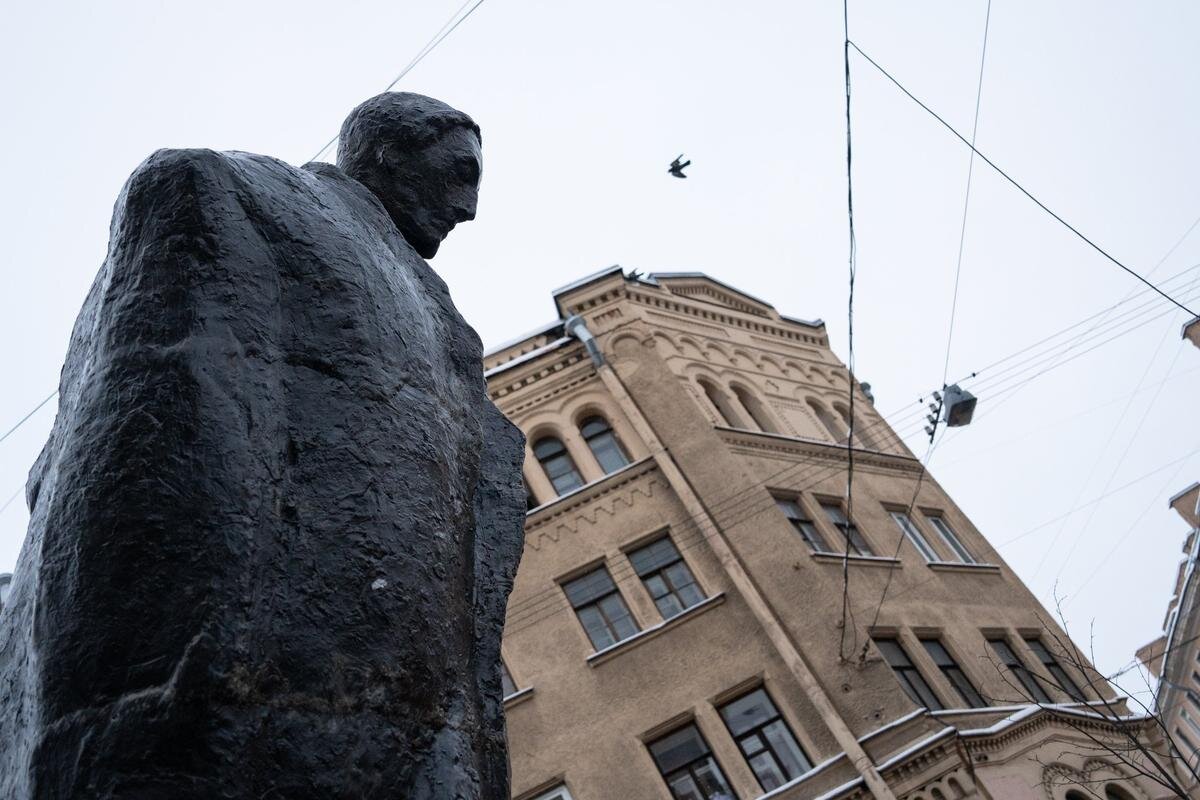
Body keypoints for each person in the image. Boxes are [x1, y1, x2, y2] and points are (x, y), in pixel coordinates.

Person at [0, 93, 525, 800]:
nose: (469, 208)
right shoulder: (235, 195)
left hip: (425, 731)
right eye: (460, 174)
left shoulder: (444, 323)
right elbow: (139, 449)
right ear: (387, 155)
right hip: (243, 709)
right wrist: (157, 706)